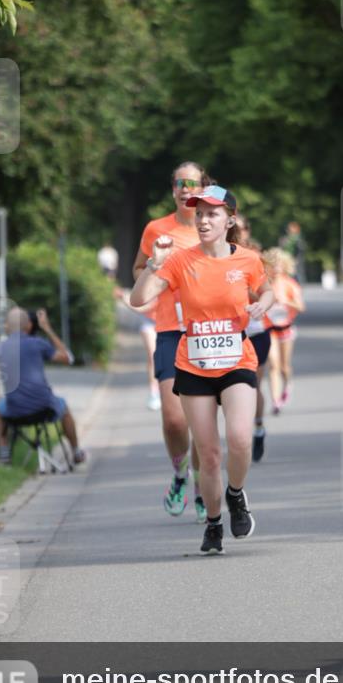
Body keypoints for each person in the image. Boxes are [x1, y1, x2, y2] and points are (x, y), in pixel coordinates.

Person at [131, 185, 274, 555]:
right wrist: (154, 263)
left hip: (236, 359)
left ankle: (236, 494)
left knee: (240, 438)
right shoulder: (180, 261)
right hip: (193, 364)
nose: (203, 219)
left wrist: (262, 306)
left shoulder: (247, 260)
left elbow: (267, 289)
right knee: (209, 453)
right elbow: (139, 299)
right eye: (199, 213)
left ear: (230, 220)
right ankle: (213, 523)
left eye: (212, 213)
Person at [132, 162, 207, 522]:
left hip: (208, 332)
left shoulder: (215, 225)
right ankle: (180, 475)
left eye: (191, 183)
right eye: (179, 183)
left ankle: (202, 486)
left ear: (203, 187)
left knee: (201, 420)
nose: (184, 188)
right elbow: (137, 269)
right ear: (172, 189)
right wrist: (154, 271)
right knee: (175, 419)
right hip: (170, 330)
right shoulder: (156, 229)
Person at [0, 307, 86, 466]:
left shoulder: (0, 347)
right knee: (64, 407)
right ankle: (76, 451)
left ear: (7, 326)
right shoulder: (37, 343)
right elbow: (68, 358)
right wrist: (47, 328)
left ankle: (4, 456)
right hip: (44, 408)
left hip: (14, 410)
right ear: (28, 325)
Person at [235, 215, 270, 462]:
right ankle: (238, 434)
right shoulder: (215, 255)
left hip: (255, 332)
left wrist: (239, 287)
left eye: (242, 229)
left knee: (251, 386)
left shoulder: (254, 257)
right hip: (226, 334)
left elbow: (264, 295)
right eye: (233, 227)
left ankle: (257, 427)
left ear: (247, 231)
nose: (237, 232)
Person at [263, 248, 305, 414]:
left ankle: (287, 382)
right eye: (272, 265)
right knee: (273, 364)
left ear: (285, 266)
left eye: (279, 264)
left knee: (284, 367)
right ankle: (275, 401)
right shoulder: (264, 284)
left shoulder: (290, 284)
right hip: (268, 327)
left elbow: (301, 307)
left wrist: (286, 301)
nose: (276, 268)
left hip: (285, 327)